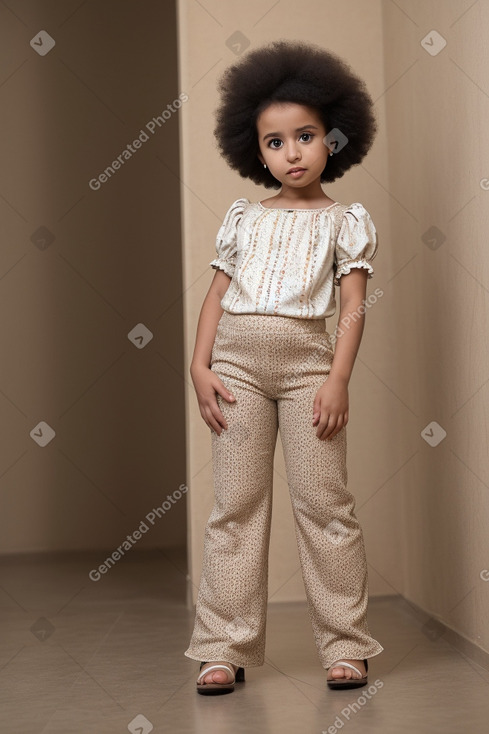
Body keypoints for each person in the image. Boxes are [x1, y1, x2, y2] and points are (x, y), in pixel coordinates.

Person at [184, 39, 384, 695]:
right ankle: (223, 647)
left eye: (304, 136)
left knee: (325, 506)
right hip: (235, 371)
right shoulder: (243, 218)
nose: (291, 153)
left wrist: (336, 379)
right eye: (274, 142)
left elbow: (351, 307)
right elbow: (216, 294)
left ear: (334, 137)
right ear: (255, 149)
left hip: (307, 372)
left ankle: (346, 647)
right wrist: (199, 364)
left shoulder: (344, 221)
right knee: (234, 509)